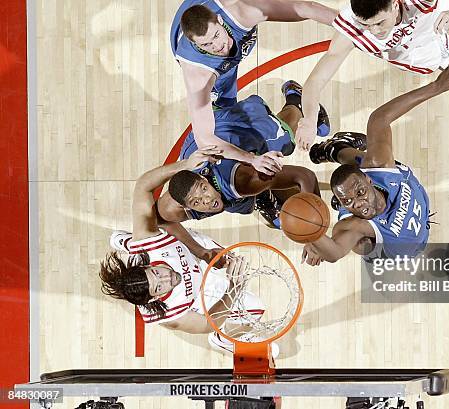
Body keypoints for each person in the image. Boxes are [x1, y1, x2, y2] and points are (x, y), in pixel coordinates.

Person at [100, 148, 278, 356]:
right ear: (153, 299)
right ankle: (223, 341)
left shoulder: (147, 245)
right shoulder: (168, 313)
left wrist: (184, 165)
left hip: (181, 248)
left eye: (157, 273)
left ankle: (129, 241)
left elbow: (143, 186)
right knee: (255, 308)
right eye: (160, 287)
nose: (167, 278)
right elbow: (207, 324)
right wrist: (234, 286)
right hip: (198, 291)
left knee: (155, 222)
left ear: (147, 265)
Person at [301, 55, 449, 265]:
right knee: (361, 245)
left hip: (387, 176)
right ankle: (340, 161)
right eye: (349, 202)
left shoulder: (379, 165)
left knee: (367, 160)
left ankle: (334, 149)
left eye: (360, 193)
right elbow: (336, 252)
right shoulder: (356, 227)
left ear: (369, 182)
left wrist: (438, 86)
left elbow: (380, 117)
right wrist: (312, 236)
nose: (358, 203)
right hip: (398, 246)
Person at [171, 0, 336, 175]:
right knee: (226, 108)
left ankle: (296, 103)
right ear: (195, 44)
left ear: (220, 20)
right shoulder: (199, 74)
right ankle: (295, 101)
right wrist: (251, 159)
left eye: (216, 36)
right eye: (206, 44)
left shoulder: (241, 13)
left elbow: (304, 8)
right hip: (208, 68)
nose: (217, 46)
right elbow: (206, 141)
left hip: (217, 9)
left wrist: (355, 26)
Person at [295, 0, 449, 151]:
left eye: (380, 22)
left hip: (431, 20)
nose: (375, 30)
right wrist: (310, 120)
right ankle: (441, 48)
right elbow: (316, 80)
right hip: (413, 51)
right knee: (434, 64)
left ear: (395, 5)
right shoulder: (353, 27)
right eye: (366, 24)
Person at [158, 81, 323, 228]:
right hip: (200, 145)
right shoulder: (171, 208)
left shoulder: (244, 180)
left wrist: (315, 221)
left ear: (204, 180)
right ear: (186, 206)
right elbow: (161, 217)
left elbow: (304, 176)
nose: (206, 200)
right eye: (196, 202)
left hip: (233, 131)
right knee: (244, 203)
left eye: (203, 189)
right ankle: (261, 195)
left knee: (283, 138)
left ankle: (295, 100)